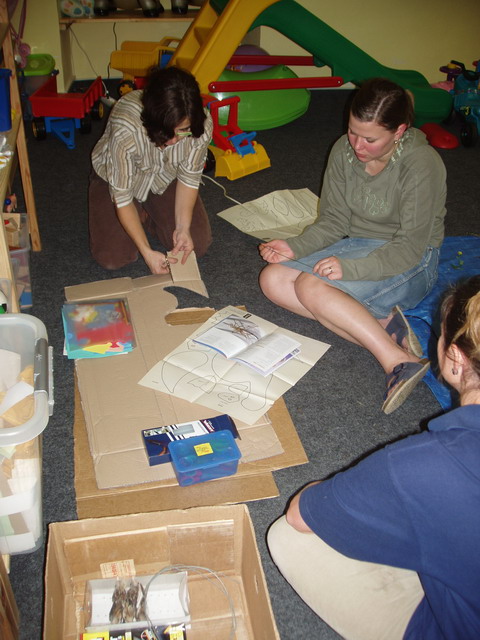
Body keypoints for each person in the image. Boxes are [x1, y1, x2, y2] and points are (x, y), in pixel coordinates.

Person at [267, 275, 480, 640]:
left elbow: (302, 514)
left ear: (456, 359)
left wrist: (335, 490)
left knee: (288, 536)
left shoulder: (428, 464)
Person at [259, 78, 447, 414]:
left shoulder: (421, 163)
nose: (357, 145)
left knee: (310, 287)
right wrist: (296, 247)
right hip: (359, 244)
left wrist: (350, 269)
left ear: (399, 131)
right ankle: (383, 326)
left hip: (412, 258)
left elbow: (409, 247)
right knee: (272, 279)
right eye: (352, 131)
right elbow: (333, 221)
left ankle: (397, 361)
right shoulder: (343, 151)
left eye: (370, 139)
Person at [88, 65, 213, 274]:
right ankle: (140, 216)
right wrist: (147, 252)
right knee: (113, 257)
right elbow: (122, 197)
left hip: (164, 177)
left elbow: (189, 179)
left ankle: (147, 215)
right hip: (116, 178)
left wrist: (183, 228)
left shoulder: (201, 124)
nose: (173, 141)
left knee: (196, 244)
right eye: (166, 132)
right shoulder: (126, 127)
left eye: (182, 130)